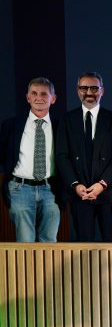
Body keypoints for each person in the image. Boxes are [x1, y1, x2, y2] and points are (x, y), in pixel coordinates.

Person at [56, 71, 112, 241]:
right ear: (77, 90)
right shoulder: (67, 119)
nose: (89, 93)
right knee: (84, 244)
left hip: (106, 193)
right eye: (84, 88)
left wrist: (102, 184)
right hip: (79, 193)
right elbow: (62, 156)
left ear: (102, 91)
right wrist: (75, 185)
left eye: (94, 88)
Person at [0, 77, 62, 242]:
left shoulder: (61, 127)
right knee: (25, 241)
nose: (38, 98)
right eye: (34, 93)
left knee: (49, 240)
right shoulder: (11, 125)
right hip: (20, 189)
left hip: (51, 190)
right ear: (28, 98)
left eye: (44, 94)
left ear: (53, 99)